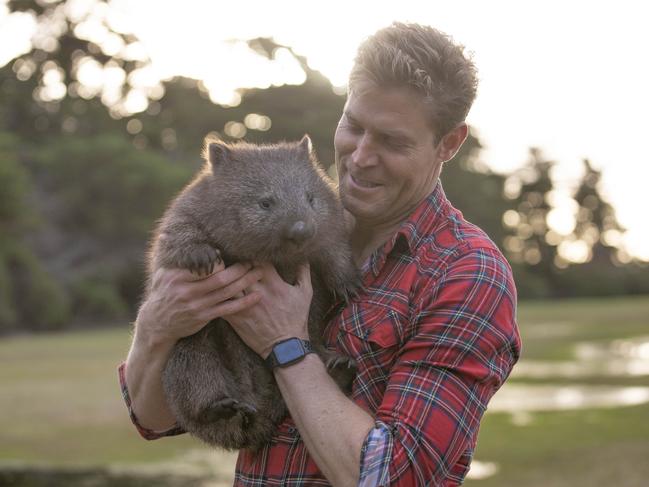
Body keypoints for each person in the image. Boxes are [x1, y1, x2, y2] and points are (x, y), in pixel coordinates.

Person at [119, 22, 521, 486]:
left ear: (449, 143)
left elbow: (399, 478)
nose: (361, 157)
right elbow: (155, 418)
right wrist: (156, 328)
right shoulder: (281, 234)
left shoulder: (466, 274)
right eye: (354, 126)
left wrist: (286, 346)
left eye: (392, 141)